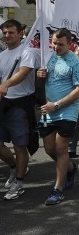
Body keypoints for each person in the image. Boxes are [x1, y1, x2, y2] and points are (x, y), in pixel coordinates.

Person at [36, 28, 79, 205]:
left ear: (70, 44)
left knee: (60, 149)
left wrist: (57, 104)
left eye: (60, 44)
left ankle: (58, 189)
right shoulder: (47, 57)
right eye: (54, 43)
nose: (56, 47)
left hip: (67, 111)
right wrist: (39, 76)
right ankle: (70, 168)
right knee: (49, 149)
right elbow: (43, 83)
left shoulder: (76, 62)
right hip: (47, 110)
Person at [0, 19, 39, 200]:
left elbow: (23, 73)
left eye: (11, 32)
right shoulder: (2, 55)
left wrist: (6, 84)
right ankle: (15, 167)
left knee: (19, 145)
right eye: (5, 33)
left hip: (20, 104)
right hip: (3, 103)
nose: (7, 35)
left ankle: (19, 182)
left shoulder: (27, 52)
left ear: (20, 33)